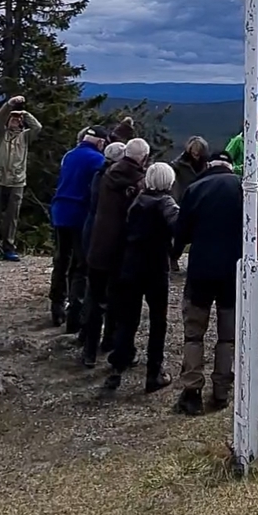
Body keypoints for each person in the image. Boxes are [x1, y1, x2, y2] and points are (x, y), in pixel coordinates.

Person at [173, 157, 244, 415]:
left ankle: (192, 392)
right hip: (232, 271)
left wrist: (173, 254)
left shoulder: (195, 189)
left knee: (194, 333)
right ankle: (221, 391)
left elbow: (181, 231)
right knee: (227, 336)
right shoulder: (243, 187)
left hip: (201, 269)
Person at [104, 163, 179, 394]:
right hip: (155, 267)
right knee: (158, 321)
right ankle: (153, 373)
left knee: (128, 319)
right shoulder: (165, 203)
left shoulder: (138, 200)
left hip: (131, 264)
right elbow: (178, 225)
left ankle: (117, 366)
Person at [83, 138, 150, 366]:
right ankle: (112, 344)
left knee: (95, 300)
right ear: (143, 158)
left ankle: (89, 352)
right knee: (121, 303)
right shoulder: (139, 182)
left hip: (99, 245)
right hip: (121, 250)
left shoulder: (106, 176)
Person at [49, 127, 106, 330]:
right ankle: (75, 313)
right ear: (100, 142)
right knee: (81, 265)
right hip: (79, 215)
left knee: (61, 259)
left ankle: (56, 307)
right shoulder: (97, 160)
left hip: (59, 211)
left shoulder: (69, 155)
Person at [0, 95, 42, 264]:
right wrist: (9, 106)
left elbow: (38, 127)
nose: (15, 120)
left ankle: (9, 248)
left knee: (11, 217)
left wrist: (24, 113)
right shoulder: (1, 134)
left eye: (18, 119)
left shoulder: (25, 137)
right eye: (12, 118)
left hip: (16, 181)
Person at [173, 136, 210, 202]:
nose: (196, 157)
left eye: (198, 155)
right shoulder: (178, 165)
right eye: (194, 154)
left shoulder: (207, 166)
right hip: (184, 199)